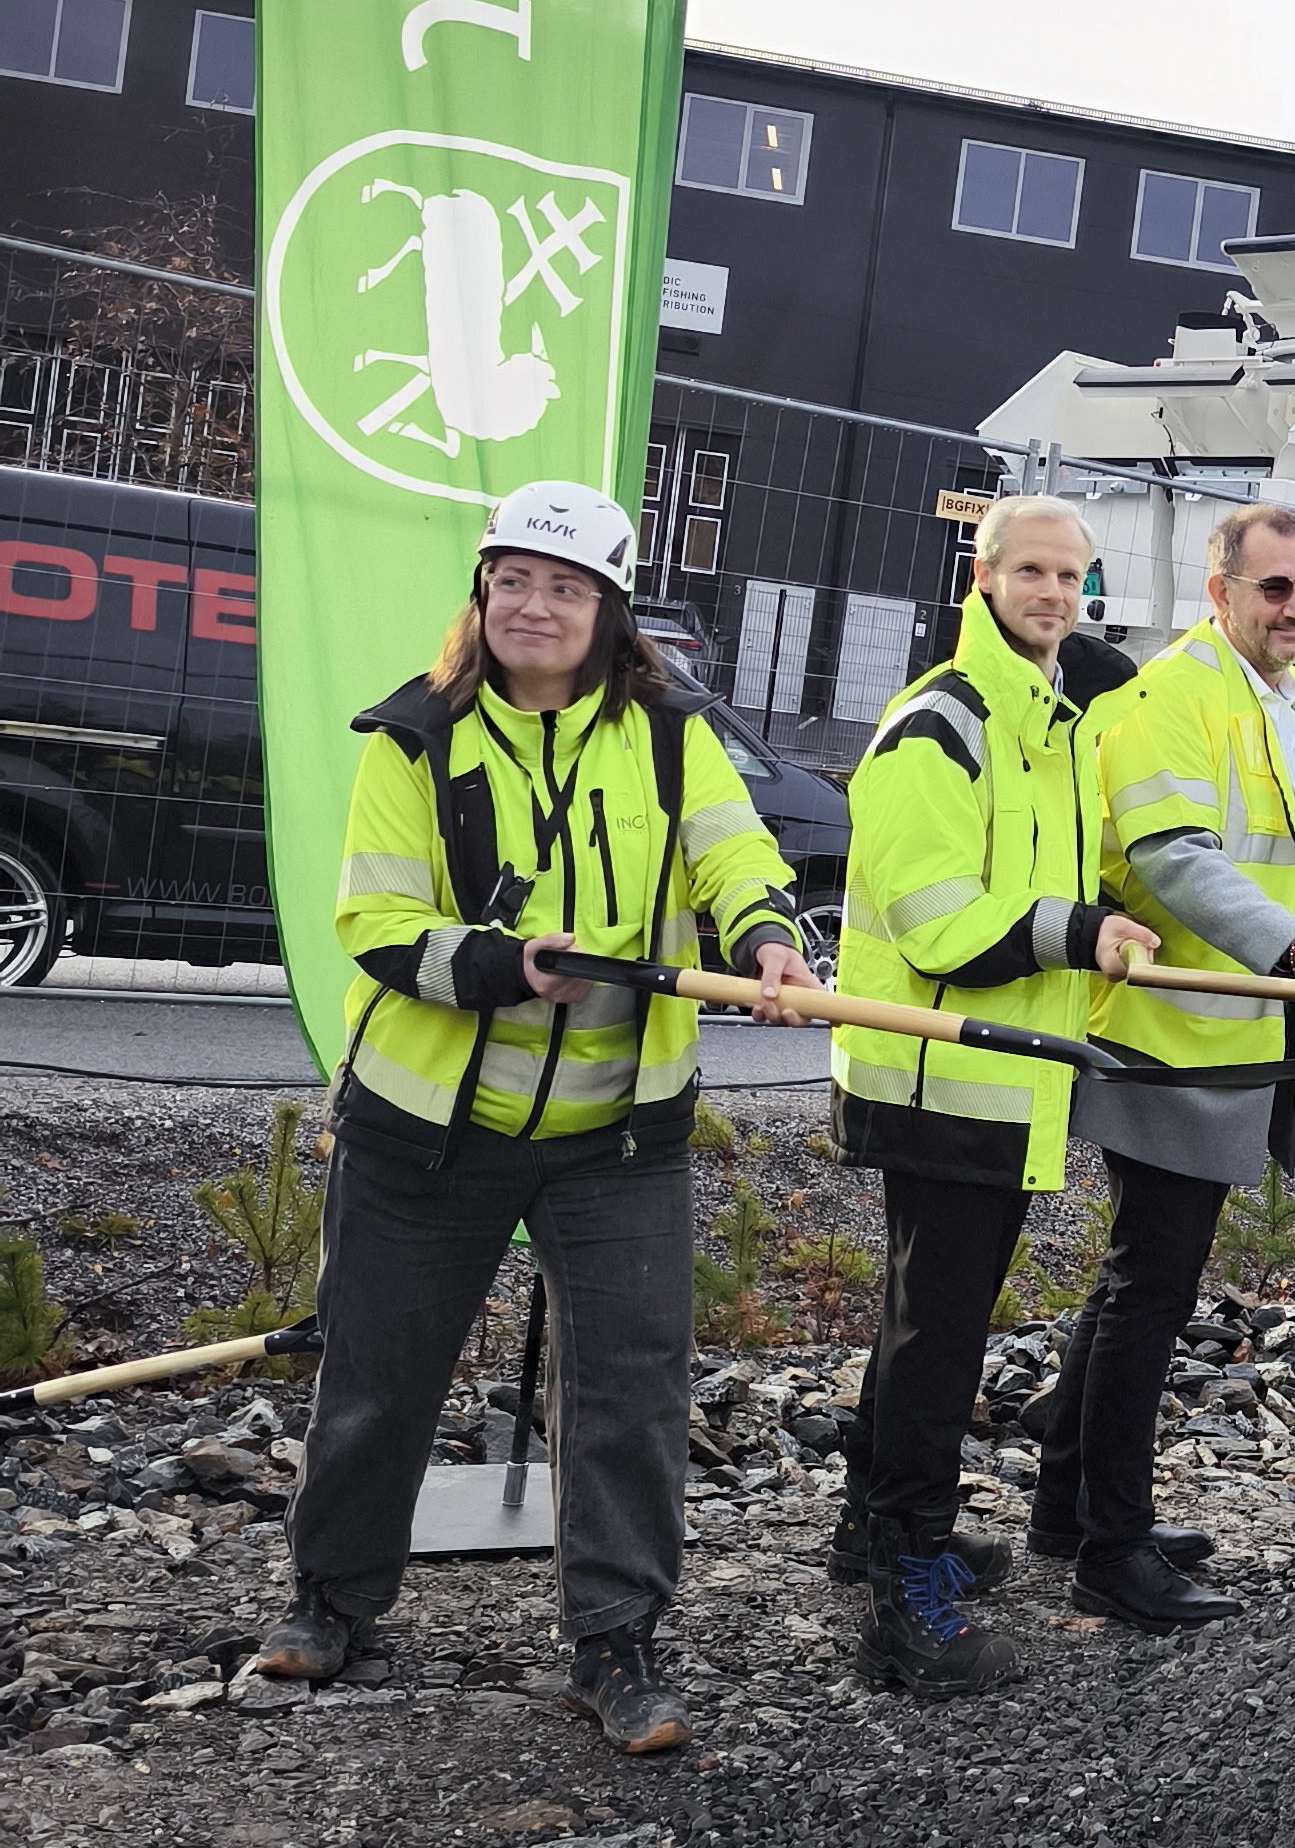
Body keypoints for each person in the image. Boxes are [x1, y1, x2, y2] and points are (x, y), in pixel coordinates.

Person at [251, 482, 817, 1755]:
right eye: (513, 580)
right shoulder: (414, 737)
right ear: (482, 593)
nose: (535, 606)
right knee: (379, 1375)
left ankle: (616, 1643)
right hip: (425, 1131)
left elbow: (732, 853)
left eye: (565, 587)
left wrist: (767, 940)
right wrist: (505, 967)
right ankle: (331, 1601)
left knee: (629, 1391)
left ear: (611, 611)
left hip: (617, 1137)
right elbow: (377, 925)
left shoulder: (670, 734)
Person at [825, 495, 1159, 1694]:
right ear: (983, 577)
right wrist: (1083, 930)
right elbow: (935, 918)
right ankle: (904, 1589)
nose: (1054, 594)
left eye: (1072, 577)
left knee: (923, 1316)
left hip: (997, 1076)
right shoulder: (943, 724)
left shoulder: (1048, 724)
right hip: (941, 1076)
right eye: (1033, 572)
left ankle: (869, 1527)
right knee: (940, 1335)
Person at [1034, 504, 1295, 1630]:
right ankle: (1113, 1550)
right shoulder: (1169, 698)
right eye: (1276, 588)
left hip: (1234, 1038)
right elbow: (1174, 859)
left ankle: (1069, 1509)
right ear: (1220, 593)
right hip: (1167, 1036)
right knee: (1151, 1288)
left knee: (1138, 1278)